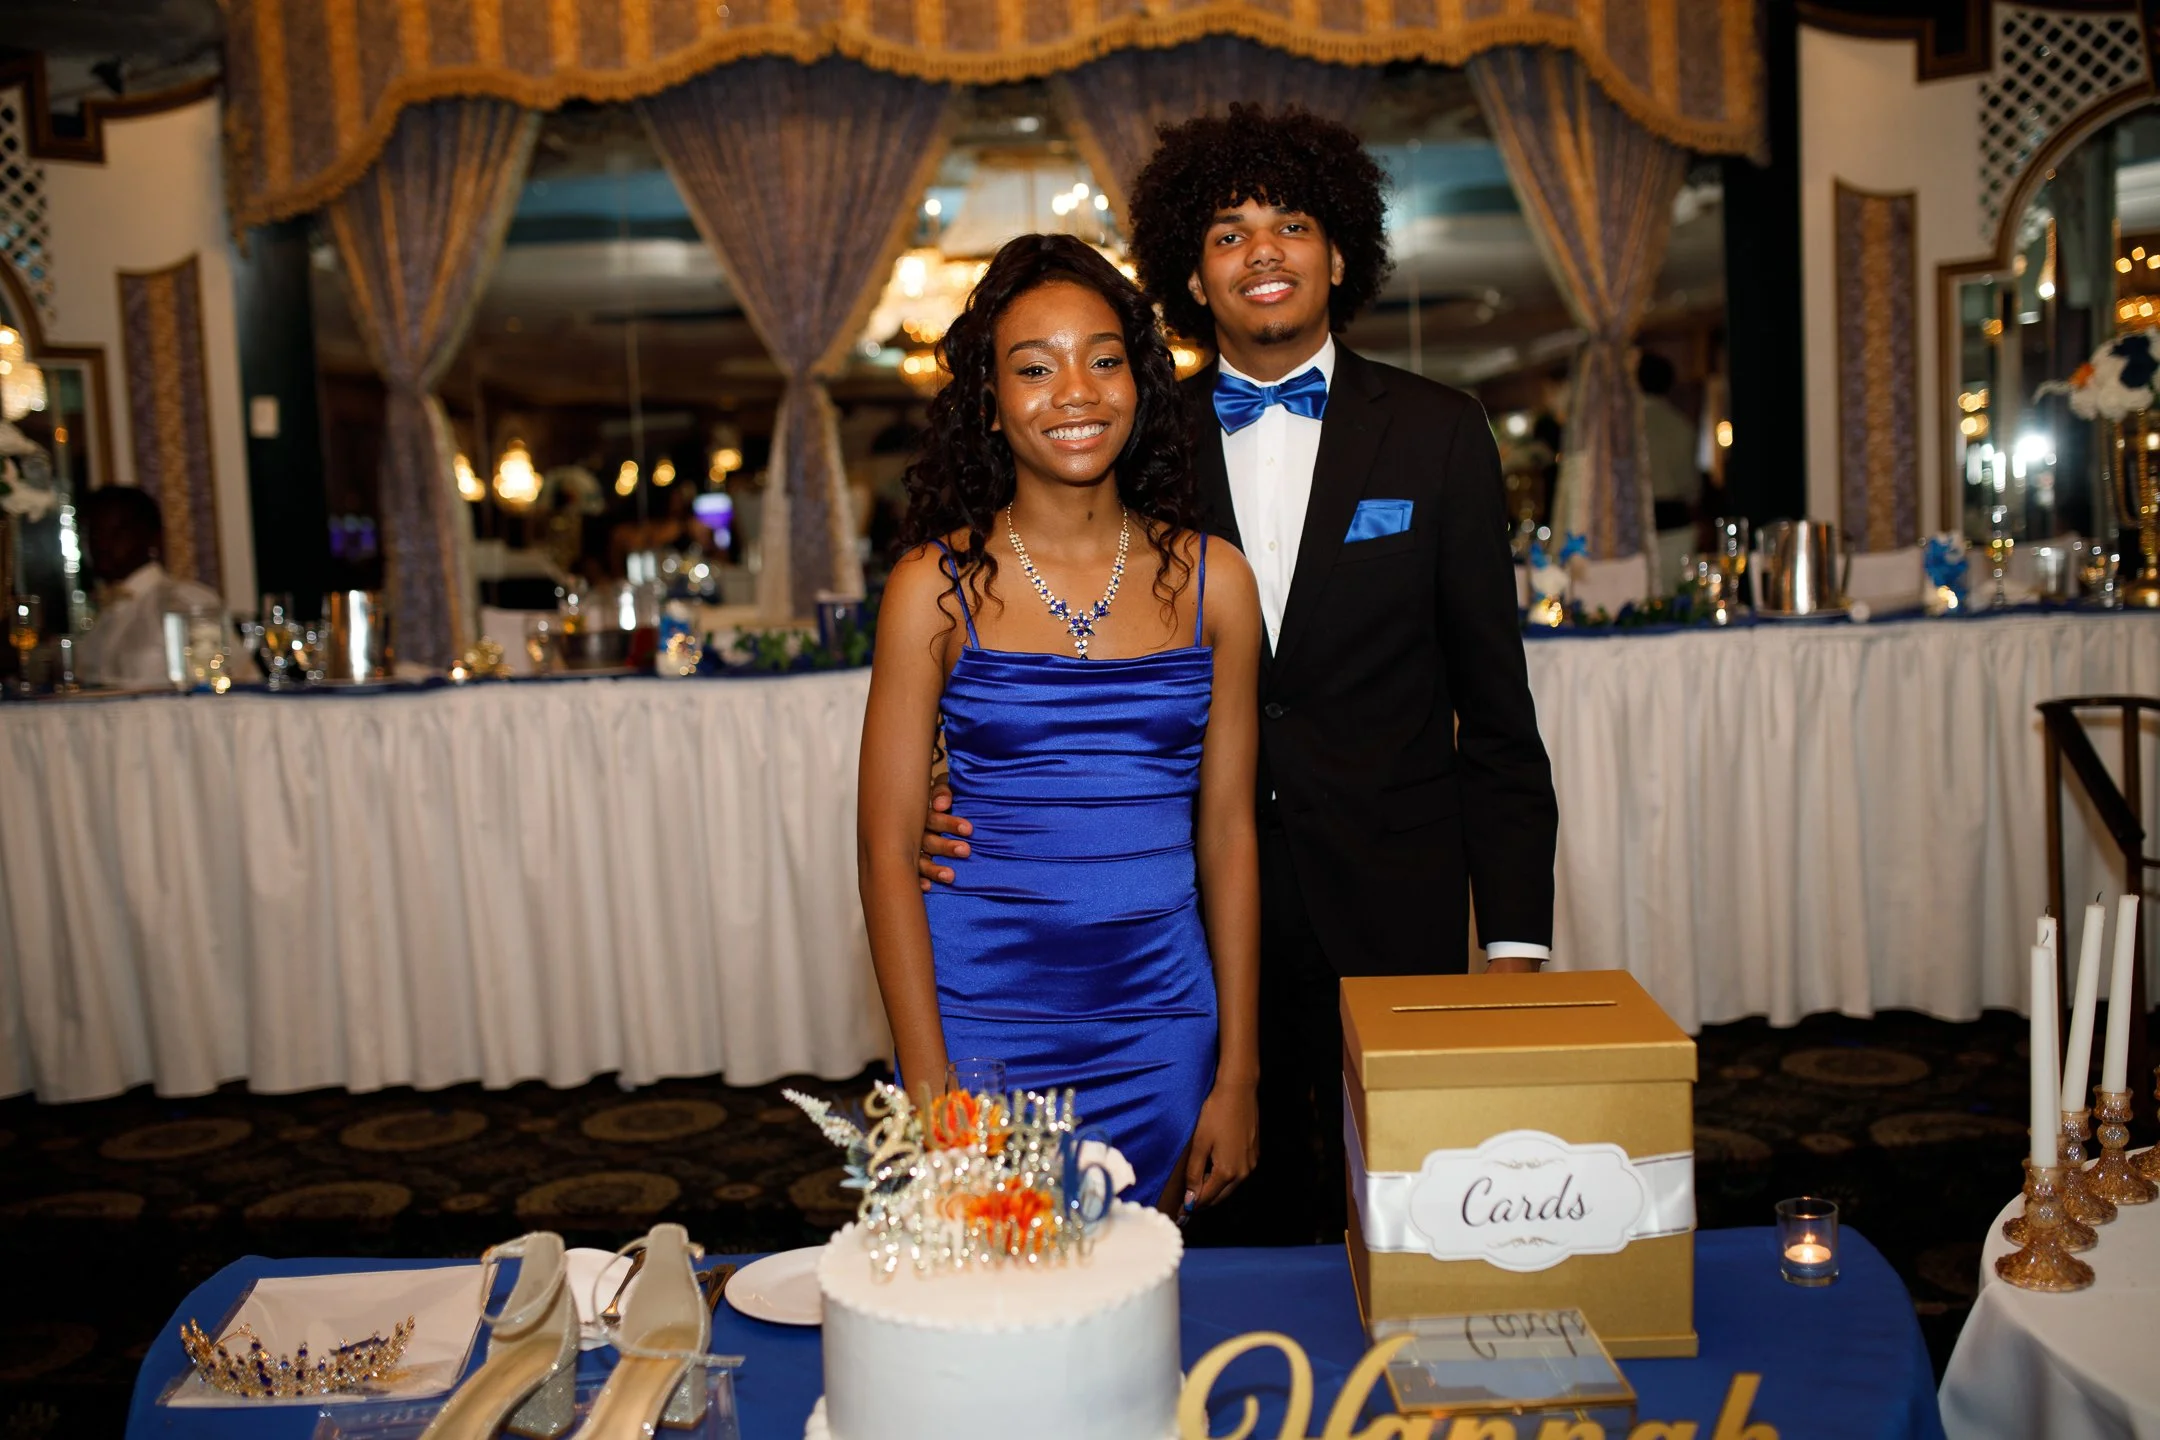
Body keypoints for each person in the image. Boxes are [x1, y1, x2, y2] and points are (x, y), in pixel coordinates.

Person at [924, 106, 1559, 1246]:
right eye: (1229, 230)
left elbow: (1498, 719)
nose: (1264, 251)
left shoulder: (1439, 433)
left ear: (1340, 252)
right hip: (1182, 917)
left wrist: (1513, 946)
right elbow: (1021, 616)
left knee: (1410, 1226)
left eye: (1293, 223)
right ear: (1188, 275)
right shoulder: (1122, 429)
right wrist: (954, 788)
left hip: (1394, 904)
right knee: (1217, 1228)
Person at [857, 234, 1264, 1215]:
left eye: (1104, 358)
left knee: (1140, 1327)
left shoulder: (1218, 582)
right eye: (1034, 369)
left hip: (1162, 1022)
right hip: (982, 1016)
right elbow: (881, 852)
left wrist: (1237, 1072)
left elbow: (1231, 833)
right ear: (990, 403)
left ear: (1141, 379)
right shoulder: (932, 587)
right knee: (993, 1327)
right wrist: (926, 1091)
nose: (1075, 391)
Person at [76, 485, 228, 688]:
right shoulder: (101, 617)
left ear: (150, 537)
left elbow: (221, 687)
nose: (102, 543)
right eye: (95, 533)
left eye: (116, 531)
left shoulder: (184, 602)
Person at [1640, 352, 1705, 592]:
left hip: (1637, 522)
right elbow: (1691, 487)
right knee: (1674, 598)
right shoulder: (1682, 425)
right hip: (1676, 523)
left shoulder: (1625, 427)